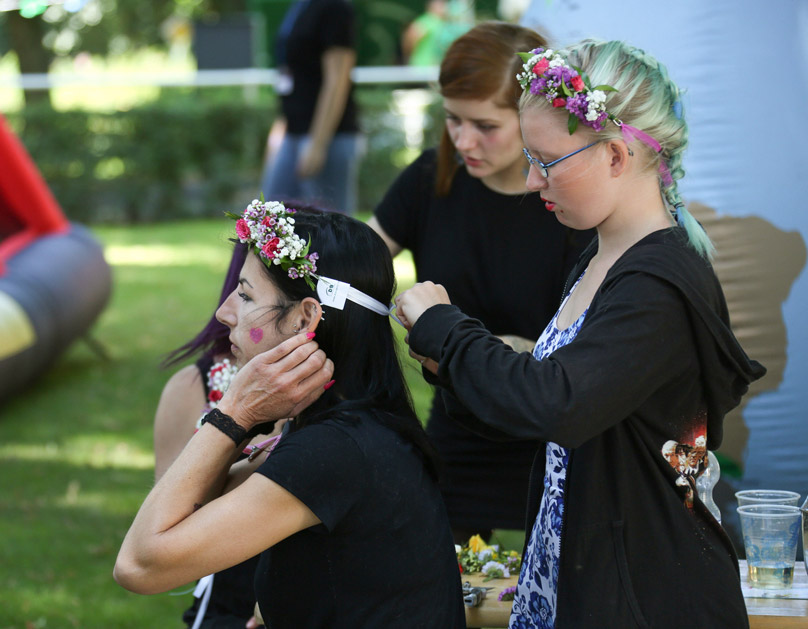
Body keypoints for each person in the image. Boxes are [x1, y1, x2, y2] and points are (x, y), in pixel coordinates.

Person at [393, 40, 765, 627]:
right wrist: (459, 373)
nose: (533, 182)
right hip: (582, 578)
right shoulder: (597, 260)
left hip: (646, 596)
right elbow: (560, 406)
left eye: (545, 161)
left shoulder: (657, 285)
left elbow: (560, 403)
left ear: (616, 155)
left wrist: (448, 330)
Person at [115, 200, 466, 628]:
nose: (224, 313)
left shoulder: (335, 451)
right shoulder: (352, 425)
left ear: (305, 320)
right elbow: (191, 511)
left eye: (244, 295)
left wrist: (234, 412)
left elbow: (138, 566)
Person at [368, 21, 593, 544]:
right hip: (459, 426)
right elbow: (360, 259)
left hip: (556, 435)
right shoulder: (430, 178)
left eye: (485, 126)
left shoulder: (573, 201)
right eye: (452, 119)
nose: (464, 140)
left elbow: (601, 347)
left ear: (533, 115)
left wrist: (519, 351)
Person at [153, 242, 275, 628]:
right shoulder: (197, 385)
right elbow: (161, 541)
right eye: (237, 290)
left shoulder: (349, 416)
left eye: (247, 294)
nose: (224, 312)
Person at [260, 0, 360, 214]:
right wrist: (279, 135)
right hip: (293, 132)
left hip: (327, 136)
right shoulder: (302, 5)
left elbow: (337, 80)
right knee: (268, 219)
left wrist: (318, 143)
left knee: (333, 234)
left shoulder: (335, 7)